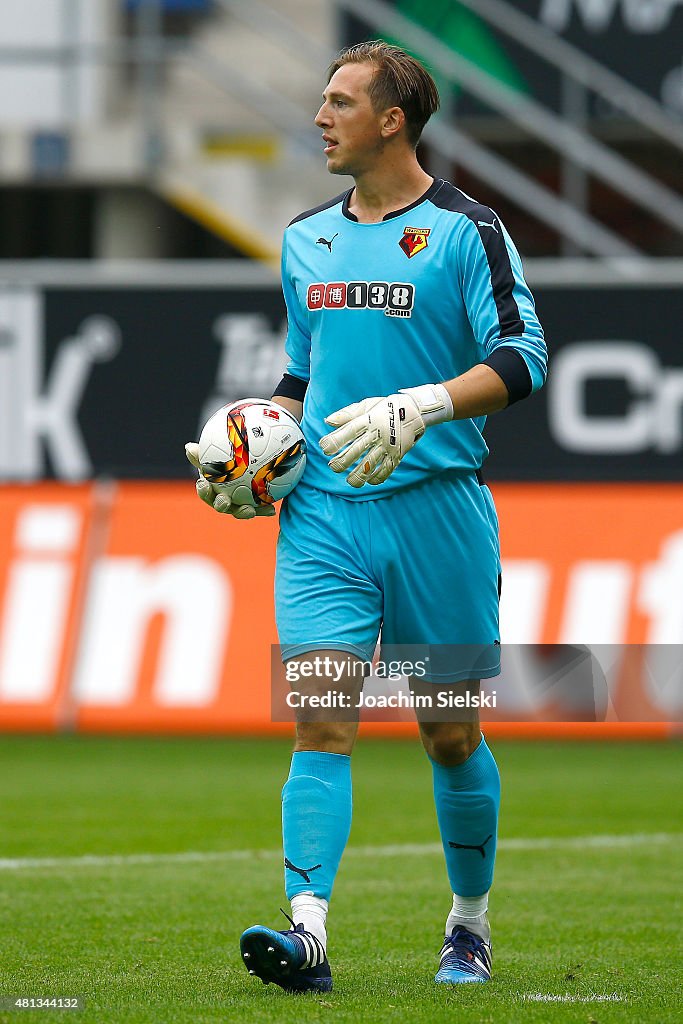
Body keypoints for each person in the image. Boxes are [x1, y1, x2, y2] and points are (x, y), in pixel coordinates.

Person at [186, 40, 547, 992]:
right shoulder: (306, 236)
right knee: (320, 722)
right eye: (322, 98)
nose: (319, 115)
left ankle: (466, 925)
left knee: (450, 735)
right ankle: (307, 936)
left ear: (393, 119)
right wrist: (252, 455)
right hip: (325, 520)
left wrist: (424, 404)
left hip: (436, 515)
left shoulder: (469, 231)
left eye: (340, 101)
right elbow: (301, 379)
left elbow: (524, 355)